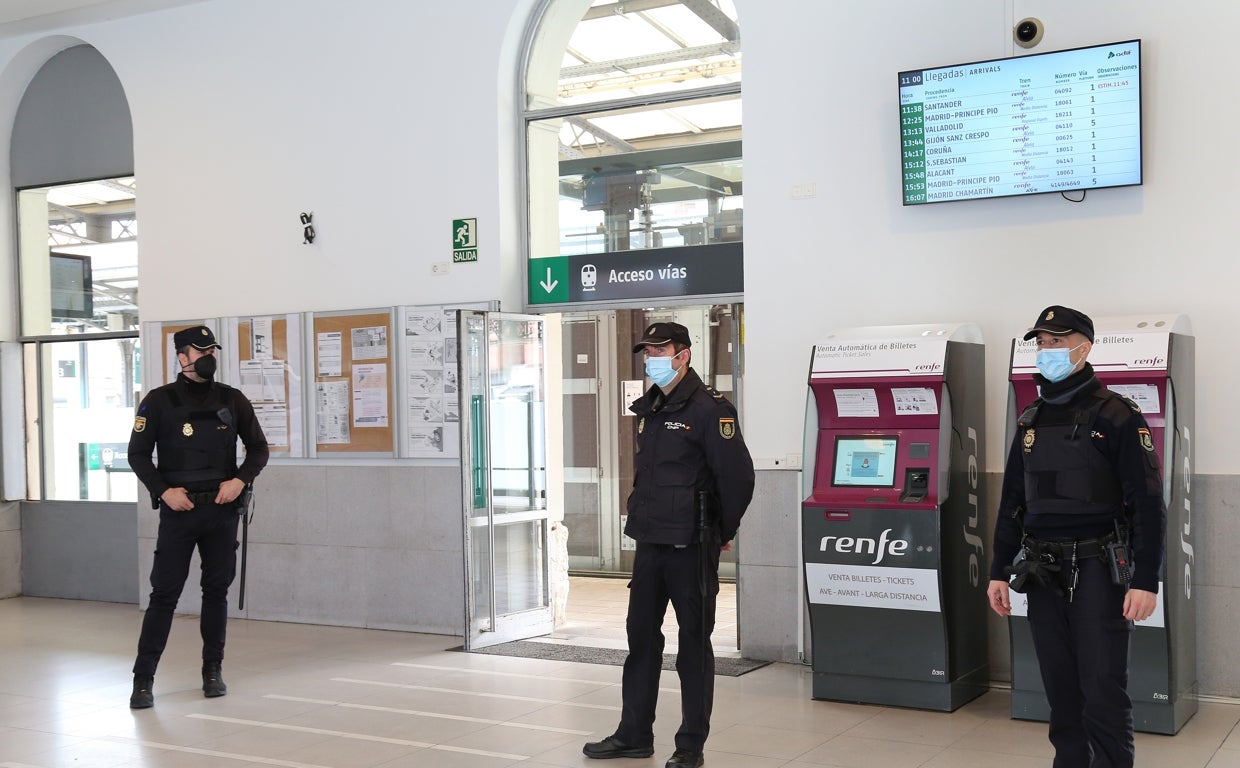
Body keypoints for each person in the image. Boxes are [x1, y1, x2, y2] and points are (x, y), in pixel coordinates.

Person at [987, 306, 1166, 768]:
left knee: (1103, 691)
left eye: (1056, 342)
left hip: (1097, 571)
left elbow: (1146, 504)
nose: (1046, 352)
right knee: (1061, 693)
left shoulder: (1118, 416)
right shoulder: (1030, 420)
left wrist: (1146, 579)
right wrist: (998, 571)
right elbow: (1012, 502)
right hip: (1042, 571)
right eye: (1040, 343)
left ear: (1084, 348)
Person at [584, 322, 755, 768]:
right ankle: (633, 734)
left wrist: (722, 531)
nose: (651, 358)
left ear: (684, 355)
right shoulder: (653, 407)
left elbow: (737, 478)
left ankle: (690, 746)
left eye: (660, 349)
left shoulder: (708, 409)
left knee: (693, 647)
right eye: (647, 350)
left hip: (691, 546)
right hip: (650, 542)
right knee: (640, 639)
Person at [127, 325, 269, 709]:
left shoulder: (232, 399)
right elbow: (137, 454)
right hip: (179, 511)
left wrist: (240, 480)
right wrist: (163, 491)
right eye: (200, 350)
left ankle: (212, 670)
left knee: (216, 593)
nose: (208, 356)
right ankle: (143, 679)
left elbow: (258, 448)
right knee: (164, 596)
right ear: (182, 357)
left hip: (221, 512)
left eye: (211, 349)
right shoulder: (157, 402)